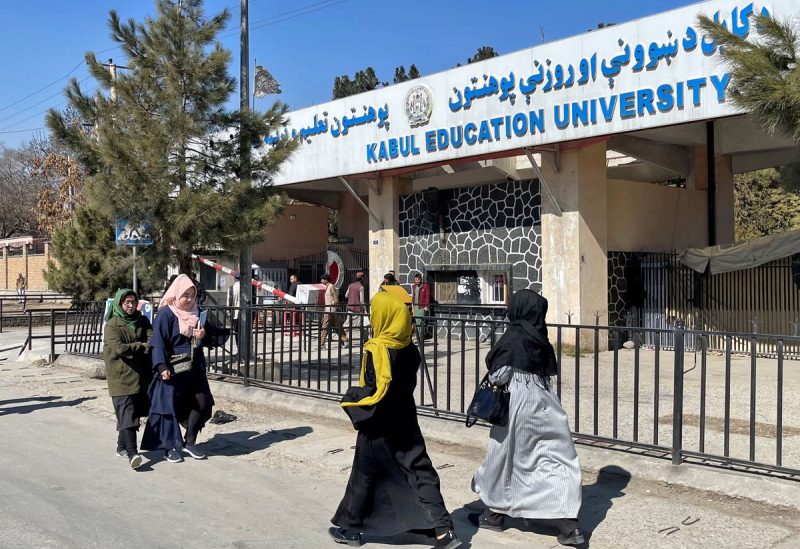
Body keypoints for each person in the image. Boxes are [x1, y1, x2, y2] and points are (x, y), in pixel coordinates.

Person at [330, 292, 462, 549]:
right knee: (419, 469)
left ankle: (351, 529)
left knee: (364, 475)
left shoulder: (376, 349)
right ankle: (443, 530)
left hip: (379, 421)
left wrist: (352, 398)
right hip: (405, 416)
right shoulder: (409, 348)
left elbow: (373, 389)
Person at [471, 289, 584, 546]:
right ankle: (569, 525)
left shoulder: (513, 336)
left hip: (518, 404)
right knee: (556, 458)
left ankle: (493, 512)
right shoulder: (540, 336)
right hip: (546, 405)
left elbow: (499, 375)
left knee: (505, 458)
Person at [141, 274, 215, 463]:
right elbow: (157, 342)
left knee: (202, 403)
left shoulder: (196, 313)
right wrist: (161, 365)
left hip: (194, 368)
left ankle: (189, 442)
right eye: (185, 295)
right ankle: (169, 447)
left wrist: (203, 335)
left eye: (192, 295)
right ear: (176, 294)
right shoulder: (166, 314)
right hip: (172, 369)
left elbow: (211, 339)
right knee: (169, 409)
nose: (190, 299)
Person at [102, 289, 152, 470]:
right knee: (128, 414)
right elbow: (119, 349)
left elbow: (151, 339)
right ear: (119, 304)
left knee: (132, 414)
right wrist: (141, 346)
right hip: (120, 377)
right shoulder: (112, 325)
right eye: (127, 302)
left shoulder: (142, 320)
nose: (131, 306)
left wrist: (144, 346)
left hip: (139, 375)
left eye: (133, 302)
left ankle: (121, 446)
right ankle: (133, 453)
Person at [320, 273, 348, 349]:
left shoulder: (331, 287)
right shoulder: (327, 287)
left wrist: (333, 307)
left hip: (331, 311)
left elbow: (335, 299)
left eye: (322, 279)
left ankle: (322, 344)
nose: (321, 281)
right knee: (336, 328)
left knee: (325, 327)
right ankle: (345, 340)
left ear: (326, 280)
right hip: (329, 310)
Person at [345, 272, 366, 340]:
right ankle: (365, 340)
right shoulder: (361, 287)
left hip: (350, 307)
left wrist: (352, 298)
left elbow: (346, 295)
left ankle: (343, 339)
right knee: (363, 325)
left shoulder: (350, 285)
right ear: (362, 278)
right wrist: (365, 309)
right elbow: (362, 300)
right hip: (357, 309)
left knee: (347, 325)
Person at [411, 272, 431, 340]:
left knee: (420, 322)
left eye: (418, 279)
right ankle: (418, 337)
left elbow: (427, 296)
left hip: (422, 307)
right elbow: (413, 296)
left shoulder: (425, 286)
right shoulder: (414, 286)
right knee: (416, 322)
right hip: (416, 306)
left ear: (420, 279)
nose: (417, 281)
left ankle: (420, 337)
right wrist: (412, 306)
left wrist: (426, 306)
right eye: (415, 279)